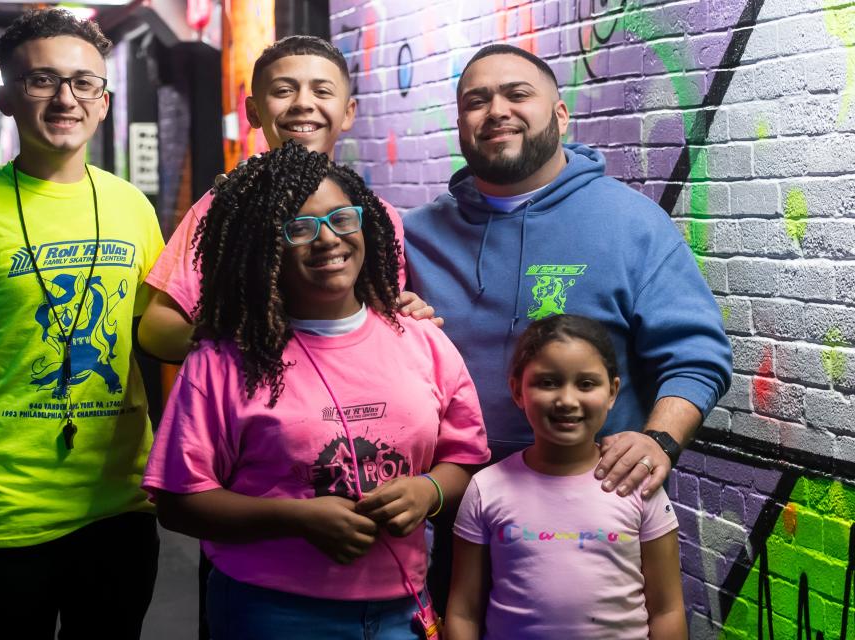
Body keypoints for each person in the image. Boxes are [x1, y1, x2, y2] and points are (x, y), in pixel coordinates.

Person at [141, 140, 490, 639]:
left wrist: (428, 489)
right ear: (267, 247)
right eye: (300, 228)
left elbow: (466, 456)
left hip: (403, 609)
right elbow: (178, 502)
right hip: (272, 613)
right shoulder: (222, 360)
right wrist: (296, 519)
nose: (328, 239)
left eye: (342, 219)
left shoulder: (423, 341)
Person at [0, 9, 163, 638]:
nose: (65, 98)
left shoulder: (132, 208)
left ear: (104, 101)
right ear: (7, 99)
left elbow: (154, 345)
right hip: (5, 513)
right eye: (42, 81)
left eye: (83, 83)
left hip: (121, 506)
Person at [405, 43, 731, 488]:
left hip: (596, 518)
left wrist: (660, 441)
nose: (497, 110)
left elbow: (697, 358)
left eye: (517, 94)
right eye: (476, 101)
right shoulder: (414, 237)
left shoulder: (631, 223)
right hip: (457, 513)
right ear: (461, 124)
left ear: (560, 115)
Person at [138, 35, 434, 364]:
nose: (303, 103)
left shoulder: (377, 217)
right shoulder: (221, 209)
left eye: (322, 91)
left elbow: (379, 313)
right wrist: (232, 348)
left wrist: (405, 313)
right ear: (252, 112)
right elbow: (156, 328)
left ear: (348, 112)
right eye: (283, 90)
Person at [446, 314, 686, 639]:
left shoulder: (638, 484)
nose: (567, 401)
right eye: (548, 382)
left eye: (586, 384)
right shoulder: (486, 488)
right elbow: (463, 612)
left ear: (612, 392)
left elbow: (667, 610)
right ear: (518, 390)